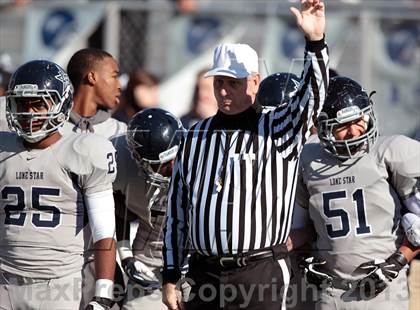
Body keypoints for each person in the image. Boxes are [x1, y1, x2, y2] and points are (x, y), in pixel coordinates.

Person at [162, 1, 329, 309]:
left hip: (260, 271)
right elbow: (177, 213)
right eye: (219, 83)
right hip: (205, 274)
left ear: (254, 82)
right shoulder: (195, 136)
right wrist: (171, 274)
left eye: (233, 83)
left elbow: (312, 98)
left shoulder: (278, 128)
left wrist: (315, 42)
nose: (224, 91)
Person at [288, 76, 420, 309]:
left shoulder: (391, 152)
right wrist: (303, 259)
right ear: (322, 127)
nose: (354, 132)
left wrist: (397, 262)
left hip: (384, 289)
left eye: (359, 120)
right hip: (330, 290)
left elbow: (418, 227)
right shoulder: (307, 158)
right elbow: (300, 229)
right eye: (342, 126)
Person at [0, 60, 117, 310]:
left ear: (62, 104)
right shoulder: (3, 148)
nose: (29, 112)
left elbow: (104, 231)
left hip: (58, 285)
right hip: (4, 280)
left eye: (39, 104)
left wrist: (103, 295)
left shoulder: (84, 149)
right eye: (23, 103)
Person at [111, 108, 185, 309]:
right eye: (164, 165)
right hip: (150, 257)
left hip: (195, 257)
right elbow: (115, 207)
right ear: (138, 159)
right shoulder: (119, 160)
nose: (173, 168)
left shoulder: (203, 158)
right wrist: (126, 255)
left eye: (176, 158)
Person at [63, 47, 126, 138]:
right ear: (92, 77)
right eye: (114, 76)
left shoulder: (120, 132)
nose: (119, 86)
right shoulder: (52, 128)